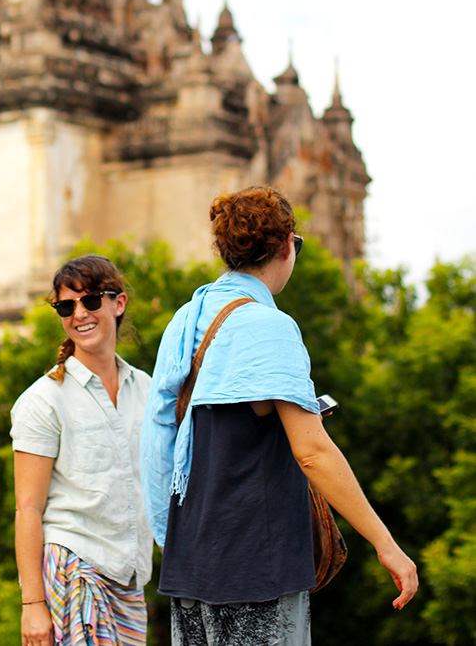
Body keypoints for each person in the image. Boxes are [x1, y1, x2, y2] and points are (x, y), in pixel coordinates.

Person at [140, 186, 418, 646]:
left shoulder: (186, 318)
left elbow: (157, 441)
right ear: (287, 245)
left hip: (191, 560)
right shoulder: (270, 327)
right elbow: (311, 452)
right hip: (254, 561)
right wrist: (386, 544)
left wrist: (172, 539)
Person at [11, 254, 153, 646]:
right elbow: (28, 508)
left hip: (130, 580)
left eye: (90, 301)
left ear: (118, 303)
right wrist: (33, 604)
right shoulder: (43, 400)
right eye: (66, 306)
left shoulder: (146, 389)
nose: (79, 314)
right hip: (75, 572)